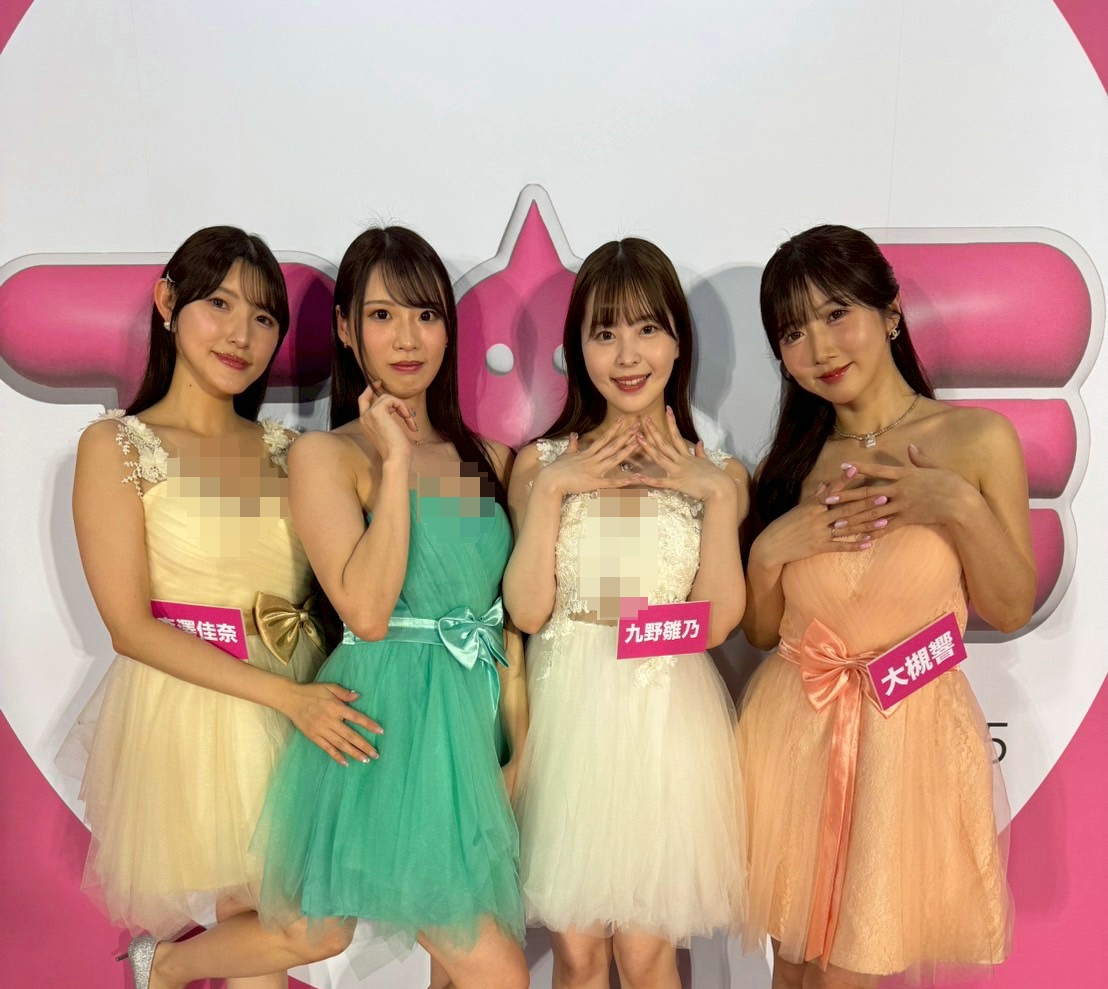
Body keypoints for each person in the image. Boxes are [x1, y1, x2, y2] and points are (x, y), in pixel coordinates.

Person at [67, 226, 371, 989]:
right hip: (201, 709)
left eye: (264, 317)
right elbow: (129, 627)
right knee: (308, 923)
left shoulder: (288, 449)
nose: (241, 334)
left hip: (303, 705)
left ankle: (162, 967)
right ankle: (164, 964)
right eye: (220, 304)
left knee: (263, 924)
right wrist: (287, 699)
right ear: (168, 301)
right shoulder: (117, 444)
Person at [740, 224, 1034, 988]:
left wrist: (955, 504)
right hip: (798, 729)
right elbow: (764, 632)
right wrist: (769, 551)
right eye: (792, 332)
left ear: (891, 312)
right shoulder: (787, 466)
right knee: (791, 971)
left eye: (836, 313)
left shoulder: (975, 438)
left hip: (909, 739)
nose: (819, 347)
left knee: (852, 971)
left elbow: (1009, 605)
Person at [253, 226, 529, 989]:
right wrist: (397, 461)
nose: (408, 338)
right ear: (346, 328)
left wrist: (516, 741)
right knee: (497, 972)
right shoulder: (327, 455)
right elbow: (368, 612)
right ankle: (165, 964)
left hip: (473, 724)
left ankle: (164, 964)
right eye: (382, 315)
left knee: (456, 970)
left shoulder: (490, 456)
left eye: (426, 314)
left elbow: (504, 616)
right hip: (390, 727)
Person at [505, 238, 749, 989]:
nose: (627, 354)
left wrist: (715, 497)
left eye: (647, 328)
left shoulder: (721, 473)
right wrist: (557, 488)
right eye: (604, 332)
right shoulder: (540, 463)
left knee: (647, 955)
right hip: (566, 714)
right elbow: (527, 609)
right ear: (579, 349)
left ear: (678, 341)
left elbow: (717, 623)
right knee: (577, 954)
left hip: (664, 719)